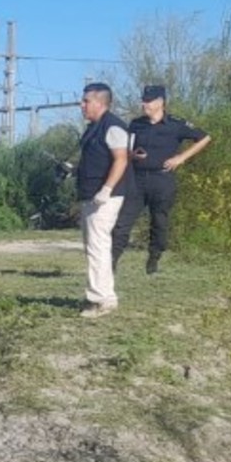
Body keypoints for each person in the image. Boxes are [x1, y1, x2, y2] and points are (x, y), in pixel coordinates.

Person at [111, 85, 212, 274]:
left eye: (148, 101)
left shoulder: (175, 124)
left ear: (160, 102)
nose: (144, 104)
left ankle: (154, 257)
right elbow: (126, 148)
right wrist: (132, 154)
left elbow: (205, 137)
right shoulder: (136, 124)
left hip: (162, 179)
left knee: (159, 222)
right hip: (137, 179)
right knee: (122, 222)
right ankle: (112, 261)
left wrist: (181, 158)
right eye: (143, 100)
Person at [75, 82, 131, 319]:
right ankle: (104, 296)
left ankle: (100, 300)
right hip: (91, 194)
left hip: (105, 197)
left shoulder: (114, 126)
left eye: (86, 100)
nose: (82, 105)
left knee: (98, 246)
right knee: (95, 247)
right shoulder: (93, 128)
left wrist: (106, 189)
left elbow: (121, 159)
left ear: (100, 102)